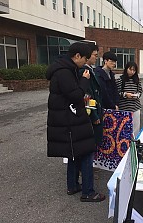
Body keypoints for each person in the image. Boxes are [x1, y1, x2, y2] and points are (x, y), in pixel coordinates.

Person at [46, 42, 106, 202]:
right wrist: (84, 80)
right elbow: (75, 95)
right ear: (77, 56)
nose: (85, 62)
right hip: (70, 120)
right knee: (86, 152)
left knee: (73, 153)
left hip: (68, 119)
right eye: (85, 58)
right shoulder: (64, 72)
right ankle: (88, 192)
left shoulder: (65, 69)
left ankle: (72, 186)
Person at [79, 44, 103, 147]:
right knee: (91, 144)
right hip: (90, 113)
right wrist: (94, 115)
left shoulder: (91, 69)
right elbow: (87, 95)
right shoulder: (84, 71)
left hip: (97, 108)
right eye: (95, 55)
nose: (96, 58)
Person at [116, 61, 143, 137]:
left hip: (135, 107)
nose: (132, 72)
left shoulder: (137, 80)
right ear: (126, 69)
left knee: (136, 128)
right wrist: (125, 94)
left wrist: (137, 95)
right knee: (125, 128)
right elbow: (117, 92)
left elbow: (140, 91)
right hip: (124, 107)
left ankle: (135, 143)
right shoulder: (120, 80)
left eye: (134, 70)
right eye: (130, 69)